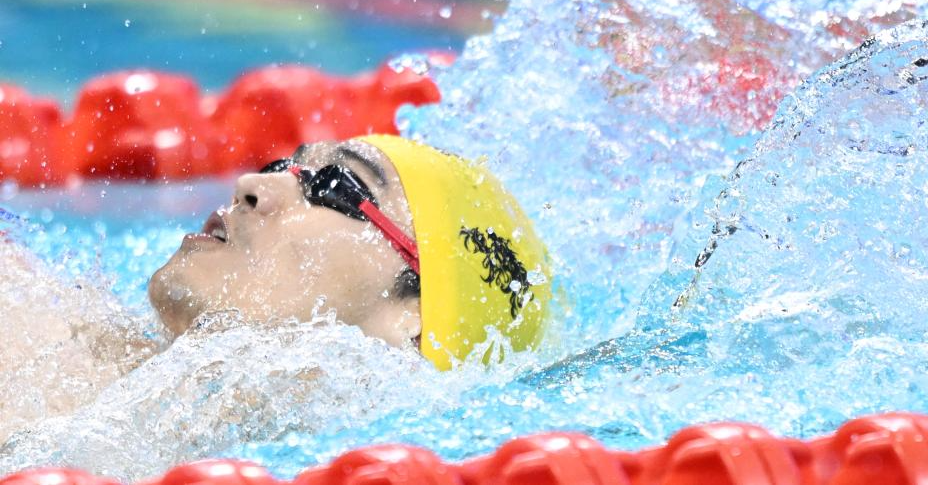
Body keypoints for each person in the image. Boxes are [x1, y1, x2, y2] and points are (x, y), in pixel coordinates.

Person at [0, 135, 552, 444]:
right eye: (280, 166)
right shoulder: (28, 309)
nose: (250, 184)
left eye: (334, 187)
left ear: (413, 320)